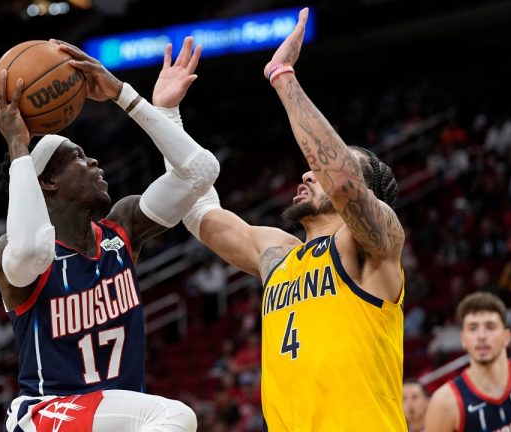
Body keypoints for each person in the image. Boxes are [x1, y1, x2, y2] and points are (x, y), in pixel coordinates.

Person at [170, 8, 406, 430]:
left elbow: (342, 180)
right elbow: (197, 210)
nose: (306, 171)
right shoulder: (277, 254)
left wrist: (282, 74)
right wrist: (167, 116)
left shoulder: (373, 244)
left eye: (323, 169)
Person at [0, 37, 218, 432]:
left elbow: (200, 171)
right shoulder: (9, 254)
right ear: (48, 182)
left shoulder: (122, 226)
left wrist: (122, 94)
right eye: (76, 156)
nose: (93, 160)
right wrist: (19, 146)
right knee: (173, 416)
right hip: (47, 414)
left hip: (112, 420)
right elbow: (29, 249)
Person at [424, 292, 511, 432]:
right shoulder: (444, 402)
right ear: (463, 339)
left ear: (506, 337)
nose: (481, 336)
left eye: (490, 327)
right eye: (473, 328)